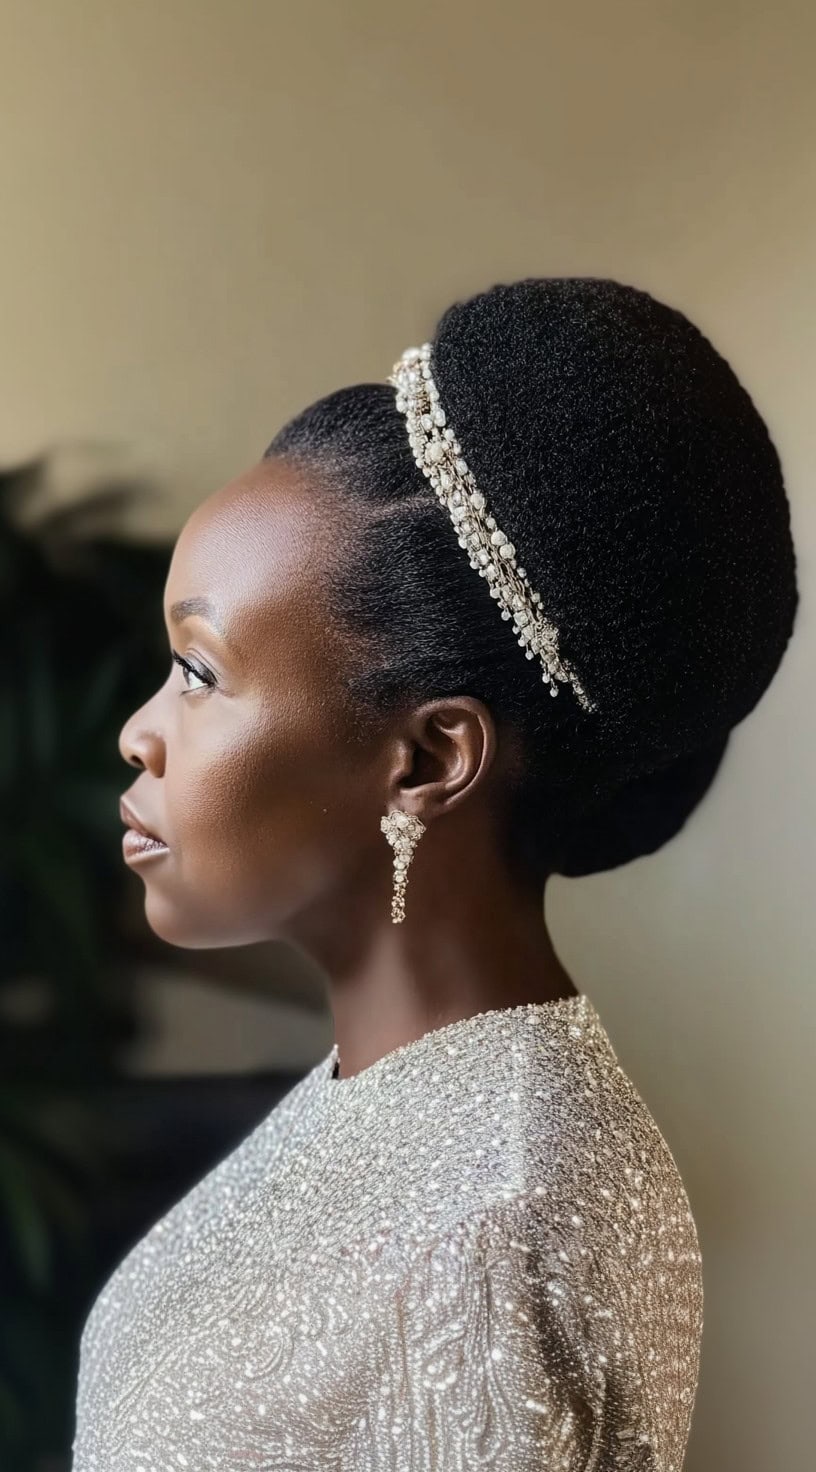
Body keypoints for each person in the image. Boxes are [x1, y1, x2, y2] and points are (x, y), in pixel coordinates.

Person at [71, 277, 797, 1470]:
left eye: (200, 674)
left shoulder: (497, 1216)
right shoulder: (396, 1090)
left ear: (426, 758)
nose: (138, 733)